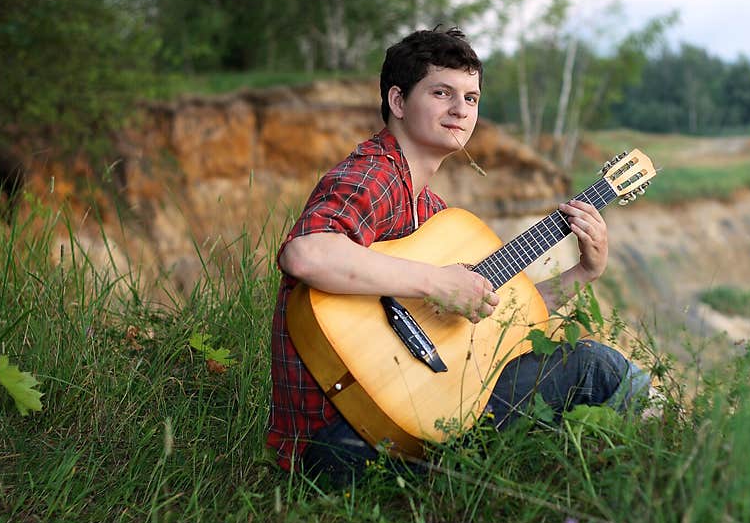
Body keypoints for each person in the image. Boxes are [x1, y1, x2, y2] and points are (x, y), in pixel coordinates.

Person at [268, 26, 649, 485]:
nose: (460, 109)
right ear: (398, 101)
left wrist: (584, 272)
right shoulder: (374, 173)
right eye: (442, 93)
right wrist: (435, 282)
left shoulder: (432, 213)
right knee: (595, 368)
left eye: (471, 98)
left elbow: (507, 320)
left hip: (402, 423)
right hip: (339, 442)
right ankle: (651, 473)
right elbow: (306, 254)